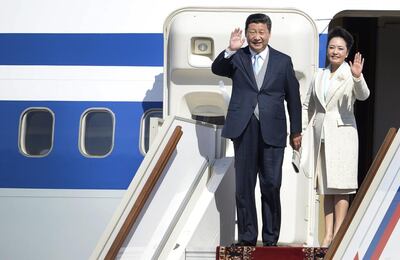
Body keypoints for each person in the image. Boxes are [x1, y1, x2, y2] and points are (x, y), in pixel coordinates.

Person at [211, 13, 302, 247]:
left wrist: (296, 131)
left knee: (271, 184)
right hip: (244, 128)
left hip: (273, 129)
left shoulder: (283, 61)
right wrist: (230, 49)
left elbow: (293, 98)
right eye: (252, 32)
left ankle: (271, 238)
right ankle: (247, 238)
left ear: (269, 33)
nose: (257, 37)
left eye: (261, 32)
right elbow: (217, 69)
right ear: (246, 33)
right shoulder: (237, 58)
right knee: (244, 186)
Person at [302, 27, 370, 247]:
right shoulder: (318, 75)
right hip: (321, 136)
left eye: (340, 48)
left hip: (343, 137)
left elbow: (364, 95)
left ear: (347, 52)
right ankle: (327, 234)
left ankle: (339, 234)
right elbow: (308, 106)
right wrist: (301, 131)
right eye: (332, 47)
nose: (335, 52)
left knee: (341, 187)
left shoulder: (350, 75)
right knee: (326, 188)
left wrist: (358, 77)